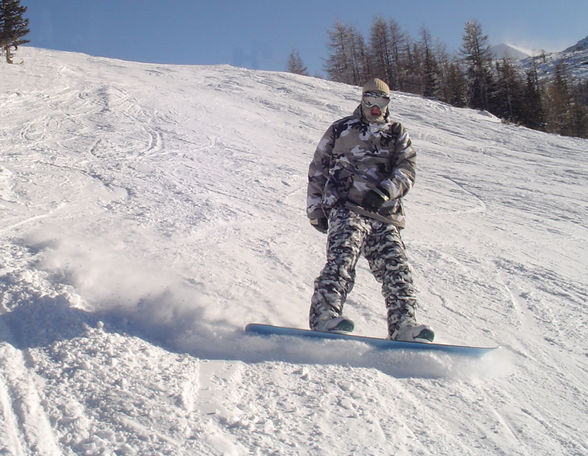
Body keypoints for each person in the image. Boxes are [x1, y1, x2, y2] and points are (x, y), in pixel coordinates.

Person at [306, 78, 434, 342]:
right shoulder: (342, 129)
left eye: (381, 102)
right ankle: (325, 316)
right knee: (342, 260)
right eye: (370, 101)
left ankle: (403, 325)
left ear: (387, 104)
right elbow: (318, 168)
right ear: (362, 100)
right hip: (346, 207)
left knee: (396, 270)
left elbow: (407, 169)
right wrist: (315, 209)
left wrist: (385, 191)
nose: (375, 108)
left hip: (384, 213)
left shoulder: (396, 132)